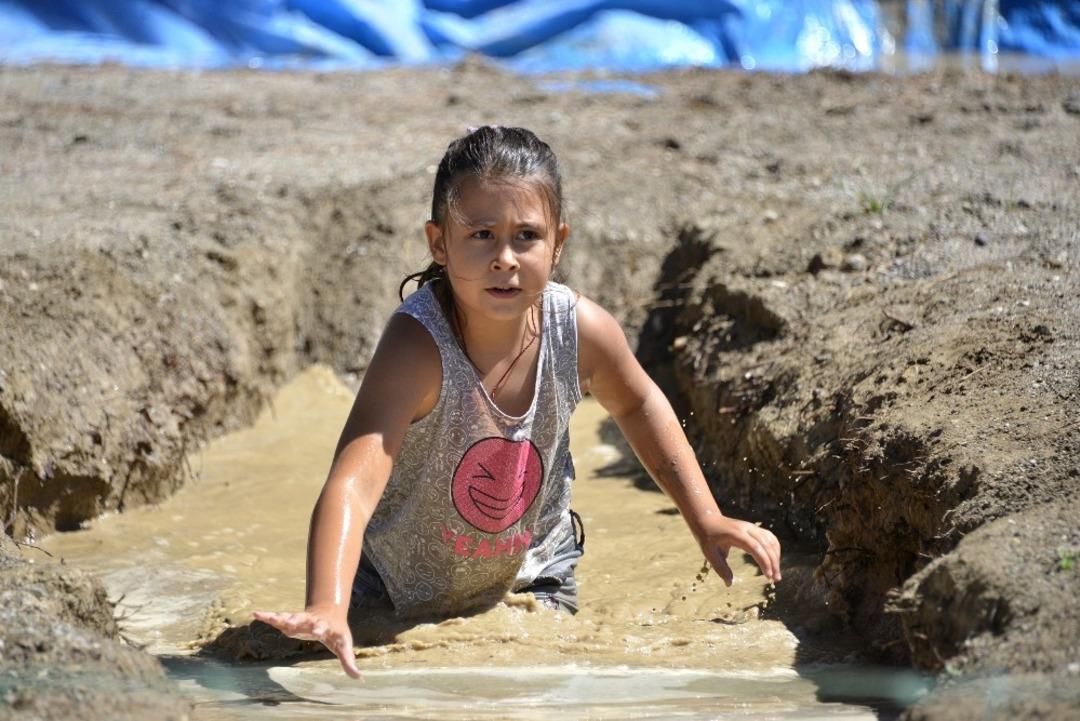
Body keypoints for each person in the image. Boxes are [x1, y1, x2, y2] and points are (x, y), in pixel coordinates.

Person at [254, 126, 782, 679]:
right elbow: (353, 484)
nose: (504, 258)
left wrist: (705, 517)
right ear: (439, 243)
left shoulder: (580, 331)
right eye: (481, 234)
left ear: (558, 243)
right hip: (392, 585)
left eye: (526, 236)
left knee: (532, 687)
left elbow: (638, 405)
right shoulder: (416, 348)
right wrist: (327, 604)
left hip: (534, 577)